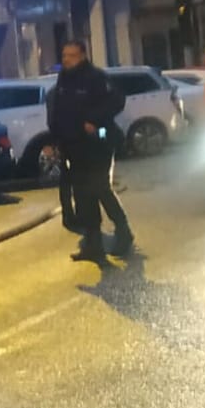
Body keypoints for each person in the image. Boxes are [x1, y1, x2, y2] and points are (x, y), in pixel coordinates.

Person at [47, 41, 132, 262]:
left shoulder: (96, 77)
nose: (66, 60)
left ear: (82, 56)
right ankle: (93, 244)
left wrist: (94, 120)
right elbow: (59, 111)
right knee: (83, 195)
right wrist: (55, 140)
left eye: (71, 55)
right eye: (64, 55)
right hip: (73, 146)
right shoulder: (64, 80)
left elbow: (117, 101)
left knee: (100, 187)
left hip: (98, 142)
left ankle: (123, 232)